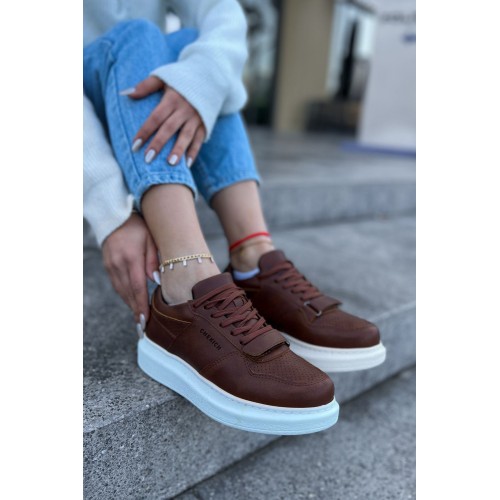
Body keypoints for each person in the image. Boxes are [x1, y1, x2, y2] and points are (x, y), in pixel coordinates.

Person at [83, 0, 385, 435]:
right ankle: (185, 276)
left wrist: (200, 83)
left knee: (196, 48)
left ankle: (253, 255)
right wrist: (108, 207)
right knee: (138, 36)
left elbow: (221, 14)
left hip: (137, 116)